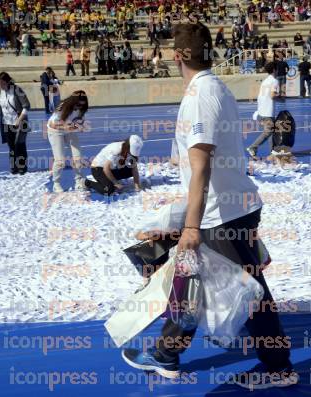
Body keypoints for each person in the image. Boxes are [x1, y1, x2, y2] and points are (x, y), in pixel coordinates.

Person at [121, 22, 298, 390]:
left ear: (178, 55)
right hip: (226, 206)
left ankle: (279, 368)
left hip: (222, 213)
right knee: (192, 280)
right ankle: (166, 353)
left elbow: (202, 164)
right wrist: (177, 218)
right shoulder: (213, 88)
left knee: (249, 293)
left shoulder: (201, 95)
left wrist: (189, 228)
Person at [47, 91, 88, 192]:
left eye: (82, 105)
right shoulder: (63, 106)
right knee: (60, 161)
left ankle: (79, 181)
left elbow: (80, 121)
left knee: (78, 156)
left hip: (69, 130)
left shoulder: (81, 108)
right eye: (78, 105)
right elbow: (53, 124)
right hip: (56, 130)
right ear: (73, 101)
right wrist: (66, 126)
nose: (79, 108)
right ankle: (56, 183)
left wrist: (79, 126)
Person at [246, 61, 280, 159]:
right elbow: (272, 95)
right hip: (268, 111)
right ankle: (253, 147)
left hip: (262, 110)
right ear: (274, 70)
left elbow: (260, 96)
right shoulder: (274, 81)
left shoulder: (265, 81)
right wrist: (281, 96)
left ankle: (273, 151)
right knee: (268, 132)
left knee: (273, 131)